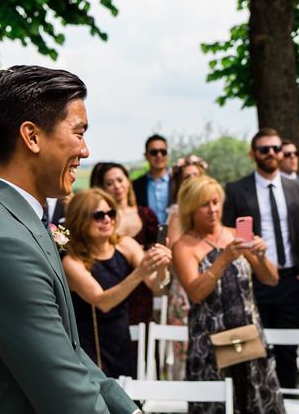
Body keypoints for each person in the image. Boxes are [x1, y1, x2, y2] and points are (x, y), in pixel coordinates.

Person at [0, 65, 140, 413]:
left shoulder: (16, 221)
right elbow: (66, 393)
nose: (86, 150)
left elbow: (69, 352)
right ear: (31, 137)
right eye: (78, 133)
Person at [173, 175, 284, 414]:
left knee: (257, 403)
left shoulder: (236, 235)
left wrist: (262, 256)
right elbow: (195, 292)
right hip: (210, 344)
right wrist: (222, 260)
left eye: (216, 202)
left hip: (249, 336)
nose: (213, 210)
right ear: (191, 207)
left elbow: (271, 279)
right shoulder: (184, 246)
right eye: (205, 204)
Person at [222, 127, 299, 389]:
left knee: (287, 353)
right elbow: (229, 233)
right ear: (253, 154)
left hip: (290, 280)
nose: (271, 153)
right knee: (253, 351)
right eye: (264, 149)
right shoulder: (237, 189)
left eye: (276, 148)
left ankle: (289, 403)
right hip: (252, 281)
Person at [62, 188, 171, 378]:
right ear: (80, 220)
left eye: (111, 213)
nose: (107, 219)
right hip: (90, 344)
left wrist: (161, 266)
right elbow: (102, 302)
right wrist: (139, 273)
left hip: (122, 340)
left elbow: (156, 286)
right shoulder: (72, 260)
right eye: (98, 215)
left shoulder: (125, 244)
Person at [95, 162, 159, 327]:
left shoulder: (146, 215)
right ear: (102, 188)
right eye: (109, 183)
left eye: (120, 180)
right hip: (113, 286)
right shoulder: (102, 221)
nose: (116, 186)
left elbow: (156, 247)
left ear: (128, 182)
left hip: (143, 288)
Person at [163, 155, 207, 380]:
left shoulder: (213, 210)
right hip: (184, 289)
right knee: (185, 348)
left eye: (195, 176)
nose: (191, 180)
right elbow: (174, 257)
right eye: (186, 177)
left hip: (211, 282)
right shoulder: (177, 213)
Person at [133, 134, 172, 224]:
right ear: (146, 155)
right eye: (154, 152)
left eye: (163, 151)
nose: (159, 155)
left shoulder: (179, 182)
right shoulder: (136, 186)